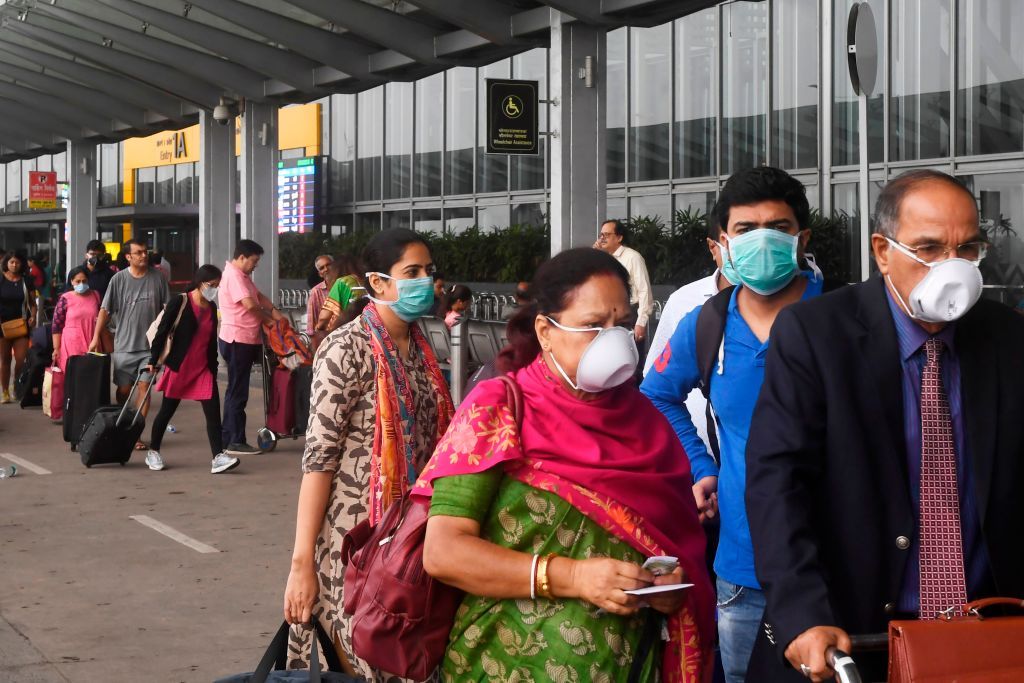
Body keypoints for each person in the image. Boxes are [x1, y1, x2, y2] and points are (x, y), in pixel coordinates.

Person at [744, 170, 1024, 682]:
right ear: (882, 251)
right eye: (930, 249)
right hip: (850, 640)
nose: (952, 268)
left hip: (987, 640)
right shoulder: (816, 334)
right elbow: (777, 482)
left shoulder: (1006, 337)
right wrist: (803, 612)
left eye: (967, 250)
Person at [416, 247, 715, 682]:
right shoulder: (499, 408)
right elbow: (444, 552)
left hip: (628, 665)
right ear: (545, 331)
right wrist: (572, 576)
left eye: (622, 324)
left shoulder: (647, 423)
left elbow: (673, 547)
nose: (613, 340)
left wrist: (666, 589)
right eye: (593, 326)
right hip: (502, 664)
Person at [641, 167, 824, 683]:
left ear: (801, 239)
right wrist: (702, 466)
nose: (762, 239)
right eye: (746, 229)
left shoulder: (843, 318)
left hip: (835, 562)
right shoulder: (707, 323)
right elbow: (656, 395)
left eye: (779, 227)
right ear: (722, 242)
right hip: (744, 567)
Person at [282, 228, 455, 677]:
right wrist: (302, 565)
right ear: (378, 283)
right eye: (411, 272)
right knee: (362, 660)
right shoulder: (346, 348)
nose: (424, 282)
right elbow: (318, 461)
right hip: (353, 544)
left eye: (428, 272)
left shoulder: (421, 347)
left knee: (409, 656)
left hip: (413, 538)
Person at [642, 223, 735, 453]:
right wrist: (695, 459)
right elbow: (656, 383)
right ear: (713, 247)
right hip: (698, 454)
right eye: (742, 233)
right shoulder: (685, 301)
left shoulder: (813, 306)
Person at [143, 265, 240, 475]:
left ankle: (218, 456)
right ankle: (153, 451)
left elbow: (211, 341)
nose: (213, 289)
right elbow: (163, 330)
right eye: (211, 285)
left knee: (213, 414)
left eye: (217, 286)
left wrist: (213, 369)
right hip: (180, 367)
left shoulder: (212, 308)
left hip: (202, 369)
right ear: (200, 282)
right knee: (166, 412)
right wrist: (153, 359)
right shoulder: (181, 301)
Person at [90, 238, 169, 447]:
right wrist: (96, 337)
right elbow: (105, 310)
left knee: (144, 388)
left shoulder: (158, 278)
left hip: (150, 348)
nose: (144, 255)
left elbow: (167, 309)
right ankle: (122, 419)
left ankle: (135, 434)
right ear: (128, 257)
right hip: (124, 346)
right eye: (139, 252)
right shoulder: (118, 280)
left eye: (145, 252)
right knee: (124, 390)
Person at [219, 239, 284, 457]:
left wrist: (275, 313)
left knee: (235, 390)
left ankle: (228, 437)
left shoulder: (242, 277)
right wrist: (270, 323)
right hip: (238, 340)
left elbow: (259, 298)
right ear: (242, 257)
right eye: (254, 261)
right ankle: (234, 440)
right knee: (237, 392)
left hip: (243, 339)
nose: (255, 265)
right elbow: (249, 305)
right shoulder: (234, 276)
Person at [595, 219, 654, 353]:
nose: (602, 239)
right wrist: (595, 255)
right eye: (601, 235)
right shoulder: (602, 258)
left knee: (630, 357)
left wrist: (641, 322)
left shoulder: (633, 257)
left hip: (628, 314)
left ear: (619, 237)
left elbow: (644, 290)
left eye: (607, 235)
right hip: (607, 314)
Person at [0, 253, 37, 404]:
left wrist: (33, 316)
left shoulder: (26, 281)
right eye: (11, 262)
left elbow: (33, 303)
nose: (14, 265)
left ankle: (16, 387)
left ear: (21, 264)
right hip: (2, 326)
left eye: (17, 262)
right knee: (5, 360)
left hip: (22, 325)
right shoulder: (1, 279)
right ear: (6, 263)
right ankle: (4, 391)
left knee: (21, 359)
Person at [51, 267, 101, 372]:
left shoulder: (95, 295)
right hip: (71, 345)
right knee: (72, 376)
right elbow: (57, 325)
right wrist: (56, 348)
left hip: (92, 342)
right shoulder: (65, 298)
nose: (81, 284)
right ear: (71, 281)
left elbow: (102, 317)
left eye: (84, 281)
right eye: (78, 281)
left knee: (91, 377)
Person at [314, 255, 363, 334]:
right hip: (365, 327)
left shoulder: (341, 283)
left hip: (347, 331)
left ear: (337, 268)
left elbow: (324, 318)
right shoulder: (363, 282)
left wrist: (318, 328)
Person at [305, 254, 333, 334]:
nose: (326, 269)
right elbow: (311, 325)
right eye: (322, 268)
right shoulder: (316, 292)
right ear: (320, 274)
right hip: (326, 337)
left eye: (328, 265)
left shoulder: (345, 286)